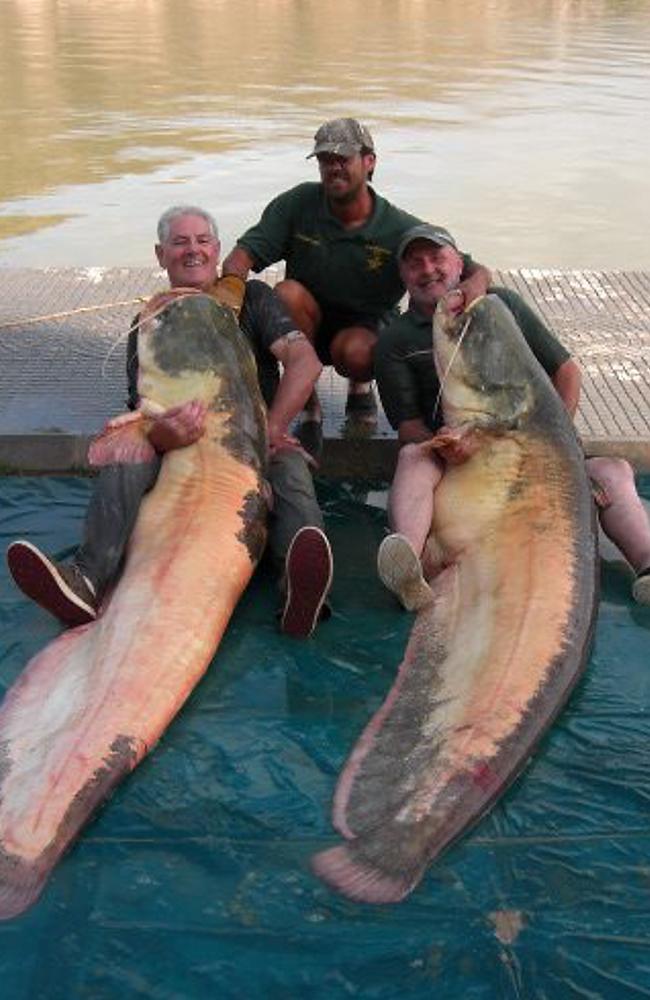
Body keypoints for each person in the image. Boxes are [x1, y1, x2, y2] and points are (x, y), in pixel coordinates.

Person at [7, 205, 334, 639]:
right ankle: (87, 579)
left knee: (291, 472)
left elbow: (304, 361)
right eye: (180, 243)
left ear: (218, 250)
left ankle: (300, 593)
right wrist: (162, 435)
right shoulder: (147, 322)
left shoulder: (254, 300)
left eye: (202, 241)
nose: (193, 250)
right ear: (160, 255)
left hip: (253, 444)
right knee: (128, 457)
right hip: (180, 448)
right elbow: (139, 408)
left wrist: (273, 428)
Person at [374, 223, 650, 609]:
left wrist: (557, 442)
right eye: (415, 264)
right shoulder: (394, 339)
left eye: (437, 258)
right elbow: (407, 426)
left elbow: (567, 371)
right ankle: (410, 568)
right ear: (403, 276)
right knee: (411, 458)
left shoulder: (504, 305)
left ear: (458, 262)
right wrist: (444, 444)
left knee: (614, 471)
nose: (428, 269)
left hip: (529, 445)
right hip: (456, 458)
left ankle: (647, 565)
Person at [221, 117, 491, 424]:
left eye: (343, 159)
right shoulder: (297, 204)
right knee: (286, 293)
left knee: (357, 353)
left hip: (366, 328)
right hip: (306, 323)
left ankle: (360, 385)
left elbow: (469, 267)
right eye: (325, 160)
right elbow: (241, 257)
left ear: (369, 162)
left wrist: (477, 284)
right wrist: (225, 299)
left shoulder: (399, 227)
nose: (334, 167)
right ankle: (305, 394)